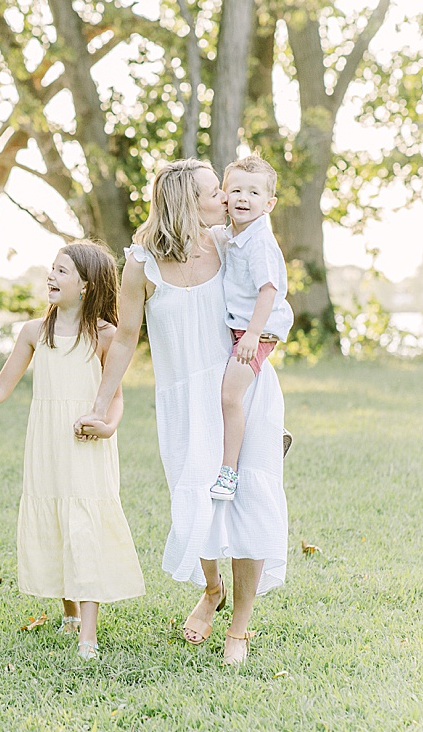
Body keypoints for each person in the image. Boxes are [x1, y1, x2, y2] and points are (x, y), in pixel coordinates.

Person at [75, 159, 287, 666]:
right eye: (217, 191)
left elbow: (269, 302)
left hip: (241, 391)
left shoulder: (232, 245)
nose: (227, 198)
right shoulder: (140, 263)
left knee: (249, 502)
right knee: (197, 504)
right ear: (188, 203)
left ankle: (239, 629)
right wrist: (101, 405)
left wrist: (260, 353)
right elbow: (125, 339)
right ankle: (210, 588)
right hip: (184, 401)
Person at [0, 242, 144, 661]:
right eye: (52, 269)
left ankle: (88, 634)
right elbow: (1, 386)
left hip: (86, 442)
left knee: (84, 524)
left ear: (86, 286)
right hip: (47, 443)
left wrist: (106, 424)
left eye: (62, 271)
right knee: (55, 519)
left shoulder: (106, 336)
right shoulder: (34, 332)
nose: (51, 276)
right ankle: (69, 611)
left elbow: (117, 395)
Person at [208, 155, 293, 501]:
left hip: (255, 331)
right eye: (237, 190)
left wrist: (253, 336)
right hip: (243, 327)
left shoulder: (259, 242)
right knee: (238, 391)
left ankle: (229, 472)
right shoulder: (234, 233)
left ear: (269, 203)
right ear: (224, 196)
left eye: (254, 193)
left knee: (229, 395)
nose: (244, 198)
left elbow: (268, 290)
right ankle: (271, 433)